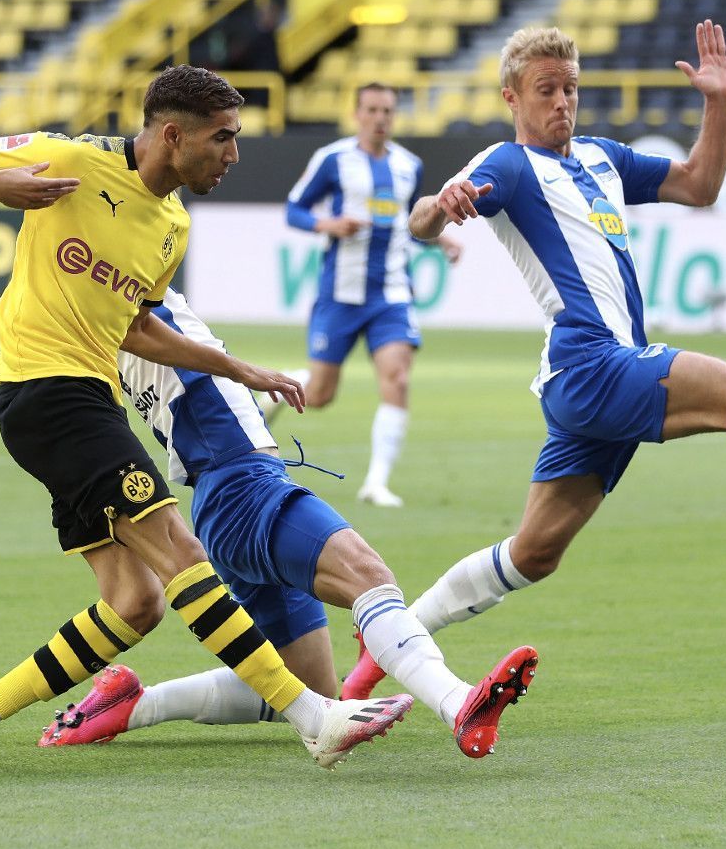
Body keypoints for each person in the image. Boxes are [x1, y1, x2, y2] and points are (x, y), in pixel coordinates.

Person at [344, 23, 726, 698]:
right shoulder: (505, 165)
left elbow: (698, 184)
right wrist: (439, 209)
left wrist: (718, 101)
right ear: (511, 96)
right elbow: (419, 221)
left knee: (534, 554)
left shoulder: (600, 157)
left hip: (592, 377)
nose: (562, 102)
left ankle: (376, 657)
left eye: (570, 88)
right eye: (545, 90)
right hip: (588, 365)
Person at [0, 65, 409, 772]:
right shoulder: (76, 162)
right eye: (223, 138)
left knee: (135, 604)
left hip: (80, 398)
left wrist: (237, 367)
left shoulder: (171, 224)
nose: (233, 154)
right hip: (48, 390)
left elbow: (136, 328)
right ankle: (313, 714)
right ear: (173, 136)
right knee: (183, 553)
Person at [38, 288, 538, 760]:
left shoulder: (103, 312)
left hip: (223, 492)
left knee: (310, 685)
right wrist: (242, 370)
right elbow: (133, 306)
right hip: (240, 482)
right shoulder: (123, 284)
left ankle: (132, 705)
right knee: (368, 576)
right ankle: (458, 703)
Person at [261, 82, 462, 508]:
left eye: (387, 110)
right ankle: (278, 387)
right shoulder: (333, 160)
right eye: (371, 109)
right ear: (357, 114)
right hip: (340, 293)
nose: (380, 118)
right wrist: (327, 225)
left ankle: (376, 482)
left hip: (391, 293)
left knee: (398, 377)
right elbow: (295, 208)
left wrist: (440, 241)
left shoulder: (409, 166)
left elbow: (412, 223)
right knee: (319, 396)